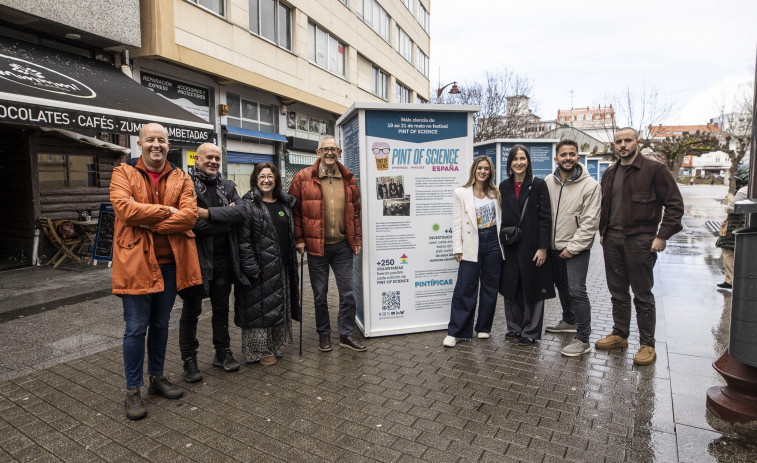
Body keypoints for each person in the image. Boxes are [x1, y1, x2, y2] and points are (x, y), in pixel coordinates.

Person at [110, 123, 202, 420]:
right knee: (136, 328)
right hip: (135, 263)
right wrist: (167, 212)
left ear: (168, 144)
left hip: (170, 263)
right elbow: (125, 209)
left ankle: (157, 378)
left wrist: (147, 217)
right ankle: (133, 389)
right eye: (150, 140)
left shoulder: (181, 176)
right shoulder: (122, 173)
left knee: (161, 324)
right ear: (140, 144)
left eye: (161, 140)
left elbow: (188, 218)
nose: (156, 145)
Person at [596, 127, 683, 366]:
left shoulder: (655, 170)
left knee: (642, 295)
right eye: (618, 141)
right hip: (611, 241)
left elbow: (675, 205)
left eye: (627, 140)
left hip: (640, 241)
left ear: (637, 142)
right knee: (617, 292)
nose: (622, 145)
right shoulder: (610, 173)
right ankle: (620, 335)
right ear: (614, 145)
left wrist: (662, 236)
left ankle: (647, 344)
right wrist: (603, 233)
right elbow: (606, 206)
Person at [289, 135, 365, 352]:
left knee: (347, 293)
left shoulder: (349, 179)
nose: (330, 152)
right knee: (320, 295)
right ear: (318, 152)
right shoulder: (302, 178)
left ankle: (346, 334)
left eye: (333, 149)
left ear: (339, 153)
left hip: (342, 245)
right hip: (315, 247)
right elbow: (294, 212)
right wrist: (299, 239)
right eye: (325, 149)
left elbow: (355, 212)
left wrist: (356, 238)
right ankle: (324, 334)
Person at [178, 143, 246, 383]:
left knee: (221, 308)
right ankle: (189, 360)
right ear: (198, 159)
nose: (214, 161)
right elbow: (189, 223)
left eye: (217, 158)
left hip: (223, 261)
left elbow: (241, 213)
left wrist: (207, 214)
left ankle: (222, 352)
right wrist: (224, 218)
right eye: (209, 157)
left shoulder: (227, 186)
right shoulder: (184, 186)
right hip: (195, 261)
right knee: (191, 312)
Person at [235, 162, 301, 365]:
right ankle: (260, 352)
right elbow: (243, 240)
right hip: (260, 269)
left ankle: (276, 346)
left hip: (282, 266)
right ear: (256, 179)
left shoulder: (284, 203)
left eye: (270, 176)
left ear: (276, 180)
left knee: (279, 308)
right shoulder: (248, 205)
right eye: (262, 176)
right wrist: (251, 267)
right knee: (259, 310)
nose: (266, 180)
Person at [544, 139, 601, 357]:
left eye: (572, 154)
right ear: (556, 158)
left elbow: (590, 222)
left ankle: (583, 338)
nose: (568, 158)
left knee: (577, 291)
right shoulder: (549, 181)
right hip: (554, 247)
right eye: (563, 154)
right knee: (563, 287)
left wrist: (573, 247)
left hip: (576, 249)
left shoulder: (591, 185)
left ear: (578, 157)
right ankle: (569, 321)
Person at [443, 156, 504, 347]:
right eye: (480, 168)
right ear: (474, 170)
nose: (483, 172)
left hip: (493, 242)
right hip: (472, 242)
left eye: (486, 169)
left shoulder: (495, 193)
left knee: (490, 288)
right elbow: (457, 222)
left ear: (490, 172)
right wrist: (457, 248)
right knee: (465, 288)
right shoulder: (461, 193)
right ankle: (456, 332)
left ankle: (484, 328)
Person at [498, 145, 555, 345]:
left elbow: (545, 217)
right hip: (511, 244)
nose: (519, 162)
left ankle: (530, 331)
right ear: (510, 163)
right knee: (511, 286)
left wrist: (543, 247)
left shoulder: (538, 184)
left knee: (532, 287)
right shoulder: (503, 186)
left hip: (532, 244)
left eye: (522, 158)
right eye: (515, 159)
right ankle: (514, 327)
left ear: (528, 162)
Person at [716, 183, 748, 290]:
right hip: (744, 225)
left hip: (736, 225)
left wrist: (729, 202)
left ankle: (730, 280)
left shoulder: (744, 190)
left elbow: (731, 208)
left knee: (727, 250)